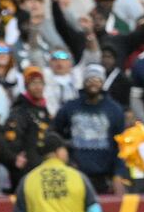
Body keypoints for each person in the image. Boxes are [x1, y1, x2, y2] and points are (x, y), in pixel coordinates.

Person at [52, 64, 126, 193]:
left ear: (102, 83)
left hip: (104, 175)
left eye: (97, 79)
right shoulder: (70, 107)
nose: (93, 83)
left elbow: (121, 145)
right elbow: (54, 133)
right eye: (90, 79)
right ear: (84, 82)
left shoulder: (115, 110)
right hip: (74, 173)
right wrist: (65, 157)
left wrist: (118, 174)